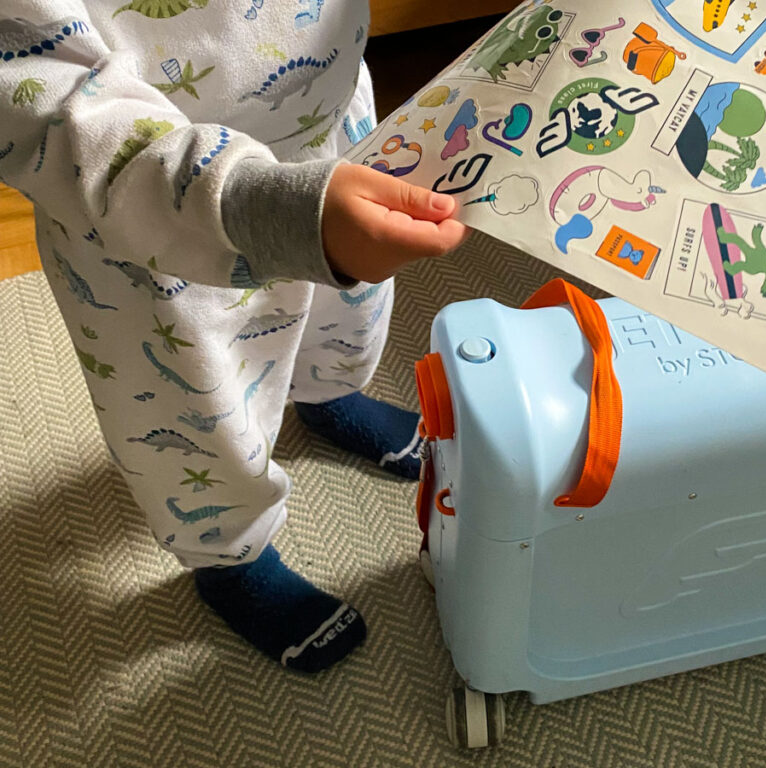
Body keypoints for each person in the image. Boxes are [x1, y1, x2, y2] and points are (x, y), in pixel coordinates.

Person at [0, 1, 467, 673]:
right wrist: (258, 207)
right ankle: (228, 557)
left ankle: (328, 392)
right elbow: (38, 97)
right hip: (146, 216)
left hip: (326, 126)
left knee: (350, 313)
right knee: (188, 417)